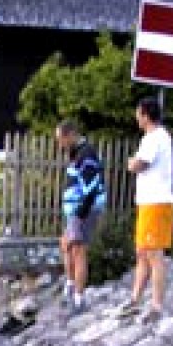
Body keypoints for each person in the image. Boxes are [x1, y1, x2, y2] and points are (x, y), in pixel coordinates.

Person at [117, 96, 173, 323]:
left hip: (156, 201)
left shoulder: (154, 138)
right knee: (142, 251)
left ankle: (157, 304)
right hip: (149, 201)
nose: (136, 117)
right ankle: (136, 298)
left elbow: (140, 164)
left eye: (138, 113)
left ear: (145, 114)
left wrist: (131, 162)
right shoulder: (157, 137)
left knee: (154, 253)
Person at [55, 119, 106, 314]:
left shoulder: (87, 154)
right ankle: (70, 286)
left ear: (70, 135)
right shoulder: (76, 153)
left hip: (82, 210)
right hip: (74, 210)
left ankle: (78, 298)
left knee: (78, 249)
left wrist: (81, 213)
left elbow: (91, 187)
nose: (60, 144)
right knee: (66, 245)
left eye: (61, 139)